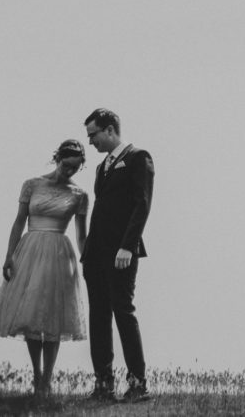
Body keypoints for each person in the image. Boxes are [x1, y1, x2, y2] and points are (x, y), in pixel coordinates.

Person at [0, 139, 89, 396]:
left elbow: (82, 235)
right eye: (66, 165)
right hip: (30, 250)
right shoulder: (32, 185)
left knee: (53, 315)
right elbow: (19, 221)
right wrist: (9, 255)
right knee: (31, 313)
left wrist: (87, 263)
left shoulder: (80, 195)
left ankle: (47, 380)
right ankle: (36, 375)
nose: (69, 171)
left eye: (75, 168)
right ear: (57, 159)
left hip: (59, 254)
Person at [82, 107, 155, 403]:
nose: (90, 142)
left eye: (93, 134)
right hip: (95, 254)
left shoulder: (138, 158)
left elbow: (142, 204)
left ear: (110, 129)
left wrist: (128, 245)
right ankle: (103, 384)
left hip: (121, 252)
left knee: (122, 311)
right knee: (98, 316)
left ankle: (138, 383)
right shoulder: (102, 168)